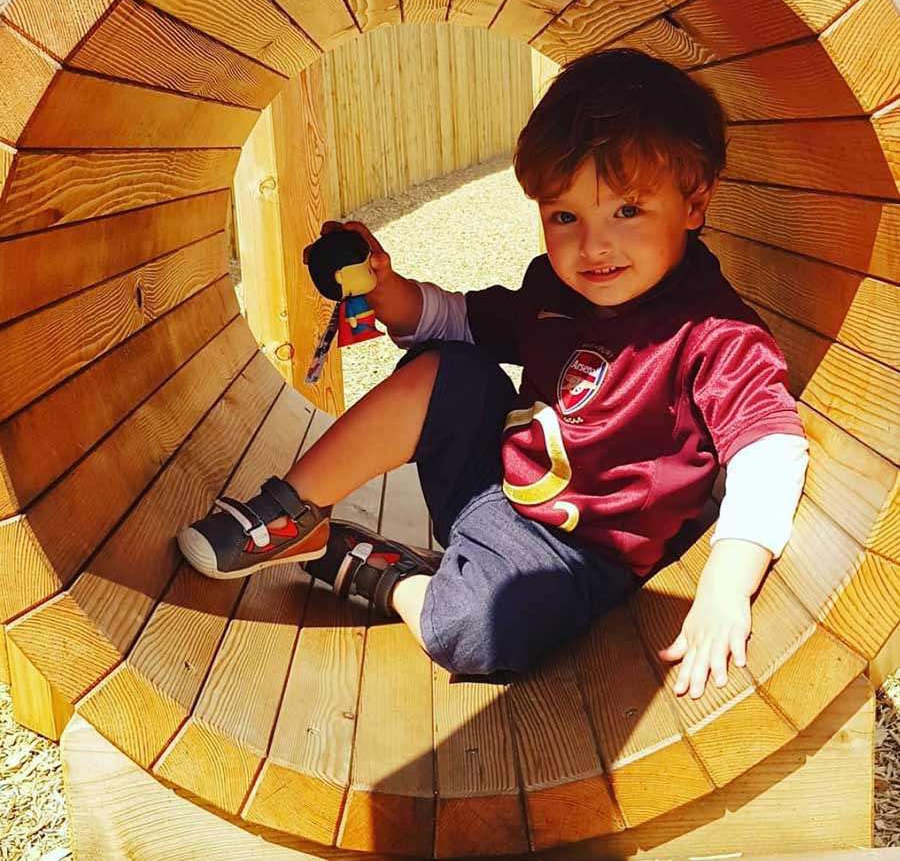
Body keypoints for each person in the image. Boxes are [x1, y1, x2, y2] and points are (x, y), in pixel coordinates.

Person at [177, 48, 809, 700]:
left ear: (695, 203)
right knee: (451, 367)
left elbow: (770, 447)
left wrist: (727, 584)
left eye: (626, 212)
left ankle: (392, 578)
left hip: (574, 553)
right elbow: (460, 320)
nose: (593, 246)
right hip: (497, 487)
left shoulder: (712, 332)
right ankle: (292, 511)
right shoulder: (556, 290)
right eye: (565, 216)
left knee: (475, 629)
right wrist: (386, 288)